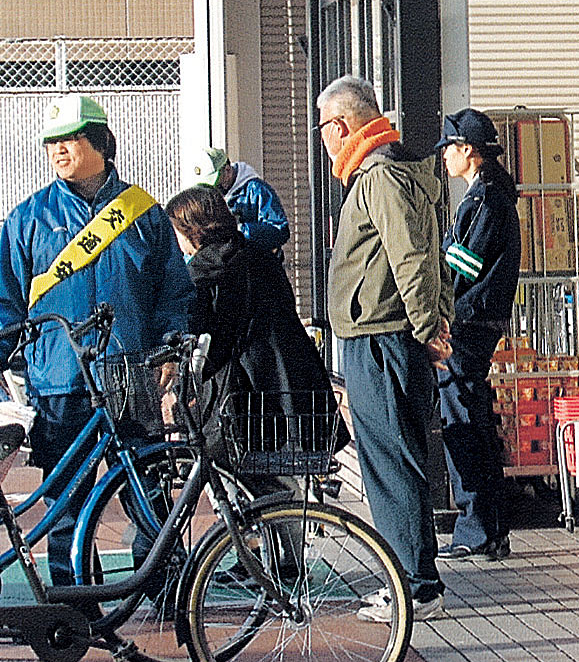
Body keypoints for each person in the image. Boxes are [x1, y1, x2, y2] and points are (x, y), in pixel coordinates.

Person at [0, 94, 194, 581]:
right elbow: (5, 302)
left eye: (70, 139)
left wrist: (169, 346)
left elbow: (173, 290)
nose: (59, 150)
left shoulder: (144, 213)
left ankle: (164, 588)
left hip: (132, 371)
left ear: (101, 142)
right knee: (68, 494)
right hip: (61, 378)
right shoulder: (27, 219)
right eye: (52, 143)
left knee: (147, 487)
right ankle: (72, 596)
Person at [317, 75, 452, 623]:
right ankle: (417, 579)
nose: (324, 139)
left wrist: (427, 327)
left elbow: (412, 258)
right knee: (400, 456)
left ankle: (413, 585)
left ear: (343, 125)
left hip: (379, 337)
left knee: (388, 461)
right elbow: (427, 256)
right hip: (387, 336)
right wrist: (432, 325)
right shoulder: (396, 174)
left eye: (324, 127)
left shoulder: (377, 178)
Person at [163, 186, 347, 485]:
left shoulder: (202, 274)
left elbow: (210, 344)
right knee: (277, 482)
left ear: (192, 229)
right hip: (292, 389)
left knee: (238, 486)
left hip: (240, 404)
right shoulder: (259, 256)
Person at [433, 109, 521, 561]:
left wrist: (439, 307)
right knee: (475, 421)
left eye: (449, 147)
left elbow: (464, 266)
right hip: (480, 320)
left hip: (467, 321)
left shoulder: (484, 200)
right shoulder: (492, 195)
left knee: (462, 422)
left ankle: (475, 528)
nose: (444, 156)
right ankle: (489, 528)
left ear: (468, 151)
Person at [189, 146, 290, 259]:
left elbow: (280, 231)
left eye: (216, 184)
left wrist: (239, 230)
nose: (214, 191)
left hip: (258, 266)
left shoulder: (256, 190)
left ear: (227, 170)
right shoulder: (208, 198)